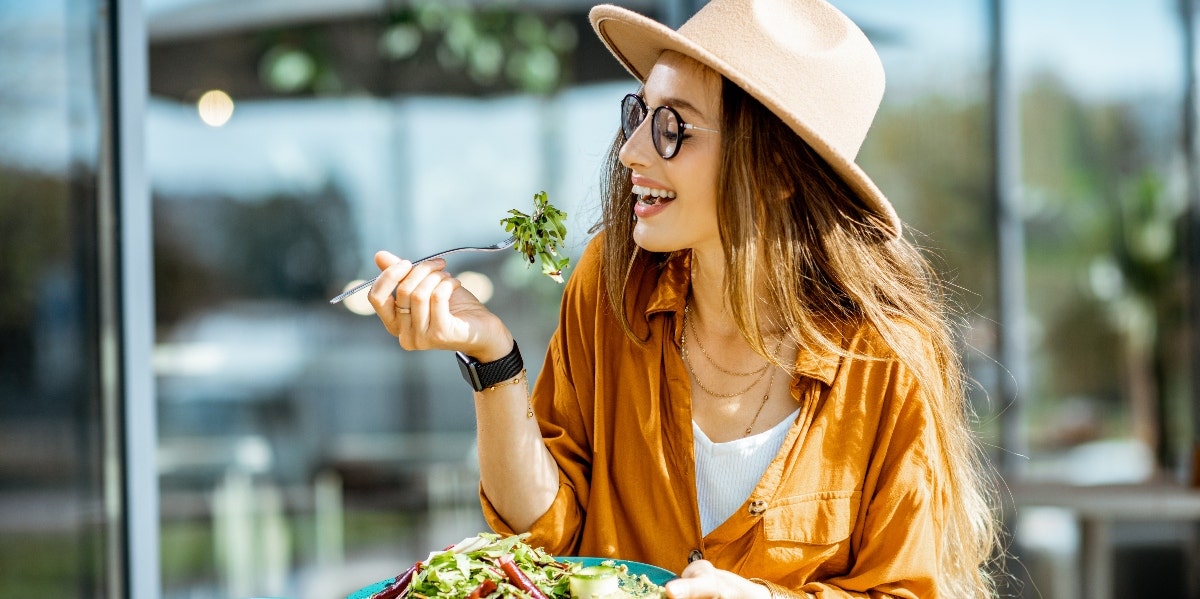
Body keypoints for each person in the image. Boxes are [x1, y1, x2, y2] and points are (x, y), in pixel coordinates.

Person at [367, 0, 1002, 597]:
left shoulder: (889, 363)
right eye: (638, 114)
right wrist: (492, 357)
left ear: (779, 169)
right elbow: (542, 538)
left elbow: (909, 588)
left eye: (673, 127)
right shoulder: (609, 287)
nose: (632, 150)